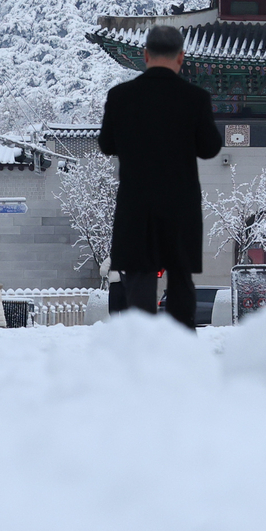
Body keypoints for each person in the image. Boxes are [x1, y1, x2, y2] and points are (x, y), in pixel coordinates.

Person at [96, 22, 224, 329]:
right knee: (180, 276)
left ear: (145, 55)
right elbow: (209, 148)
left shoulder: (121, 96)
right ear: (181, 57)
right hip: (180, 203)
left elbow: (106, 144)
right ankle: (180, 344)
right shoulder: (195, 98)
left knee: (139, 275)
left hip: (135, 202)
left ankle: (143, 345)